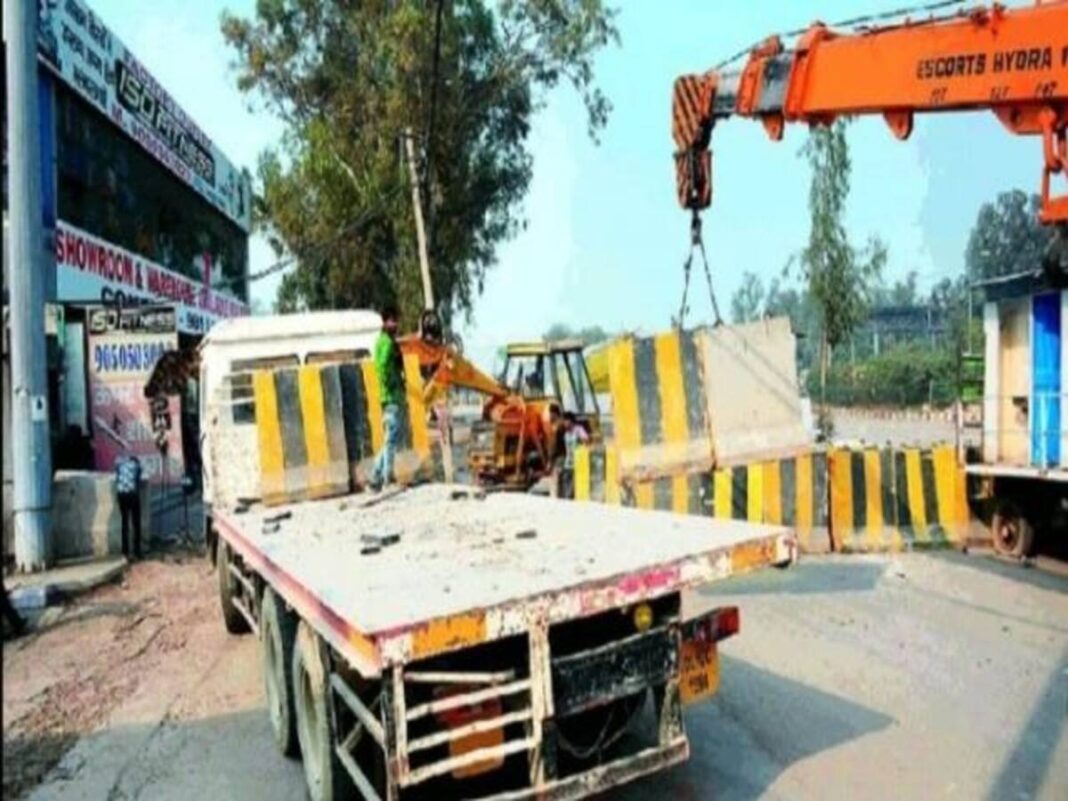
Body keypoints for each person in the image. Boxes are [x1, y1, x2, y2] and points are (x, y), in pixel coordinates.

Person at [370, 305, 404, 491]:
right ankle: (387, 479)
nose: (396, 324)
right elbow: (383, 367)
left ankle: (375, 476)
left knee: (388, 439)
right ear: (386, 321)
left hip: (386, 397)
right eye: (393, 320)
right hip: (391, 397)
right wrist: (393, 382)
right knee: (391, 440)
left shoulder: (379, 341)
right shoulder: (388, 343)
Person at [114, 447, 143, 559]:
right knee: (136, 523)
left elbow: (117, 477)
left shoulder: (118, 462)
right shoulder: (136, 464)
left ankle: (125, 552)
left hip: (121, 495)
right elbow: (138, 479)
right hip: (132, 494)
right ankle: (137, 551)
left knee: (124, 523)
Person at [557, 411, 589, 500]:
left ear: (571, 421)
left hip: (578, 462)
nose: (564, 423)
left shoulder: (579, 429)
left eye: (566, 421)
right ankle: (567, 497)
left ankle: (570, 497)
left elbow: (586, 440)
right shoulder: (566, 433)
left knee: (574, 482)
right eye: (564, 421)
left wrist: (581, 450)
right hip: (568, 462)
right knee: (566, 479)